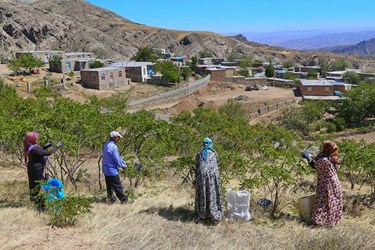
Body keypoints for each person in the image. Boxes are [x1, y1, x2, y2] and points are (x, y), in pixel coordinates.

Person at [302, 141, 342, 227]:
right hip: (331, 182)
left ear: (327, 148)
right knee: (329, 202)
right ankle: (329, 223)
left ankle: (321, 222)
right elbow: (316, 158)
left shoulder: (325, 160)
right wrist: (310, 156)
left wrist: (308, 157)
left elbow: (314, 165)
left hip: (328, 184)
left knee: (324, 201)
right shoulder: (331, 157)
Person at [23, 131, 63, 209]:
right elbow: (48, 153)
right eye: (35, 137)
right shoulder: (34, 148)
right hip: (36, 170)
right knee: (38, 186)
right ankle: (40, 206)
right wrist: (57, 146)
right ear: (31, 139)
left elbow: (40, 152)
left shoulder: (30, 146)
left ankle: (41, 204)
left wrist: (46, 146)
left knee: (37, 185)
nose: (37, 138)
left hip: (34, 168)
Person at [195, 137, 223, 222]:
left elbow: (197, 165)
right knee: (212, 193)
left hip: (203, 178)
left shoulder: (200, 154)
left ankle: (204, 213)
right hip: (213, 178)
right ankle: (213, 213)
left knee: (204, 193)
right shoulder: (214, 153)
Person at [102, 131, 130, 204]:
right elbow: (117, 159)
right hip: (112, 170)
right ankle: (124, 200)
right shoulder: (113, 147)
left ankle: (110, 199)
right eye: (118, 138)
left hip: (105, 169)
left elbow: (117, 157)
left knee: (109, 186)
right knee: (117, 186)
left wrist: (123, 162)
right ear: (115, 137)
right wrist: (123, 166)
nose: (119, 139)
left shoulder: (106, 144)